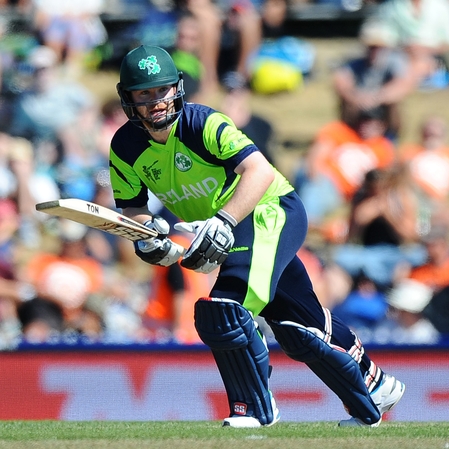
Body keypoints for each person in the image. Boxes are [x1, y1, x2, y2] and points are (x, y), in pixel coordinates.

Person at [109, 45, 404, 428]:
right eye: (144, 93)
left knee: (223, 309)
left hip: (269, 210)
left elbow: (259, 171)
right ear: (128, 98)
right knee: (300, 326)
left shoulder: (204, 123)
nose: (155, 102)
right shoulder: (125, 147)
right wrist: (148, 238)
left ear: (177, 88)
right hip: (226, 228)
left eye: (162, 90)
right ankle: (372, 391)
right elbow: (134, 209)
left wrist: (224, 221)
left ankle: (253, 409)